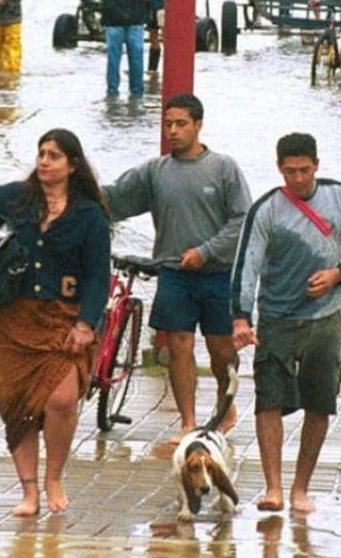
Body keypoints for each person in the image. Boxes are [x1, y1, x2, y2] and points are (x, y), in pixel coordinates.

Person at [0, 128, 111, 517]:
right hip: (7, 317)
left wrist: (86, 323)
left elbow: (98, 277)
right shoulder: (12, 199)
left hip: (62, 318)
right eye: (40, 153)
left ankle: (54, 476)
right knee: (16, 402)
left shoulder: (89, 215)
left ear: (73, 164)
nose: (44, 162)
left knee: (63, 397)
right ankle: (30, 491)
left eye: (54, 155)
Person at [231, 132, 341, 515]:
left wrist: (338, 274)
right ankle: (273, 487)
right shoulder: (266, 210)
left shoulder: (339, 198)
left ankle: (301, 488)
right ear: (279, 169)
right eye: (289, 171)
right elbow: (247, 266)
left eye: (304, 170)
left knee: (320, 400)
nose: (297, 179)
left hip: (325, 317)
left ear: (317, 165)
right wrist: (241, 318)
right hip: (276, 316)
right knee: (268, 399)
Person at [102, 94, 251, 442]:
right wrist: (73, 190)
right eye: (168, 124)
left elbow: (242, 219)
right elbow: (116, 198)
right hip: (173, 272)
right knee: (179, 346)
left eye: (181, 123)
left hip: (218, 274)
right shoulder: (155, 172)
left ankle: (224, 407)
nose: (173, 130)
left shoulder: (224, 167)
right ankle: (187, 421)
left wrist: (206, 251)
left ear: (198, 125)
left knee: (221, 350)